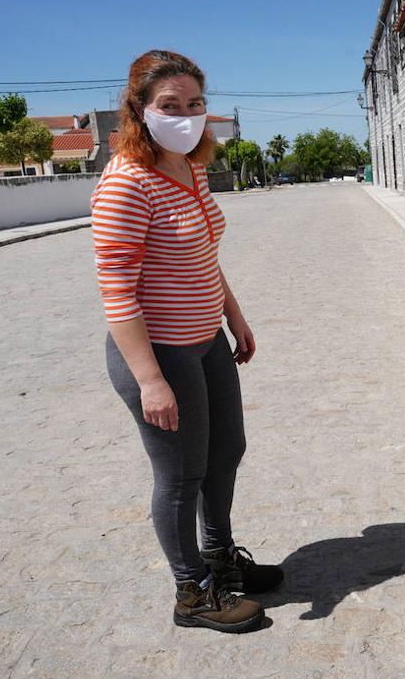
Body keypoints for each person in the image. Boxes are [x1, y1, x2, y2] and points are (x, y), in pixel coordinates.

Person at [92, 49, 282, 634]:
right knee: (180, 476)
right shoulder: (126, 182)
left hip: (206, 341)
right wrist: (150, 379)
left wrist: (235, 316)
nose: (186, 114)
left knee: (227, 451)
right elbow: (117, 287)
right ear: (140, 110)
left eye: (195, 102)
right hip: (161, 354)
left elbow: (203, 255)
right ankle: (191, 591)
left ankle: (220, 560)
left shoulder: (190, 167)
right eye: (169, 105)